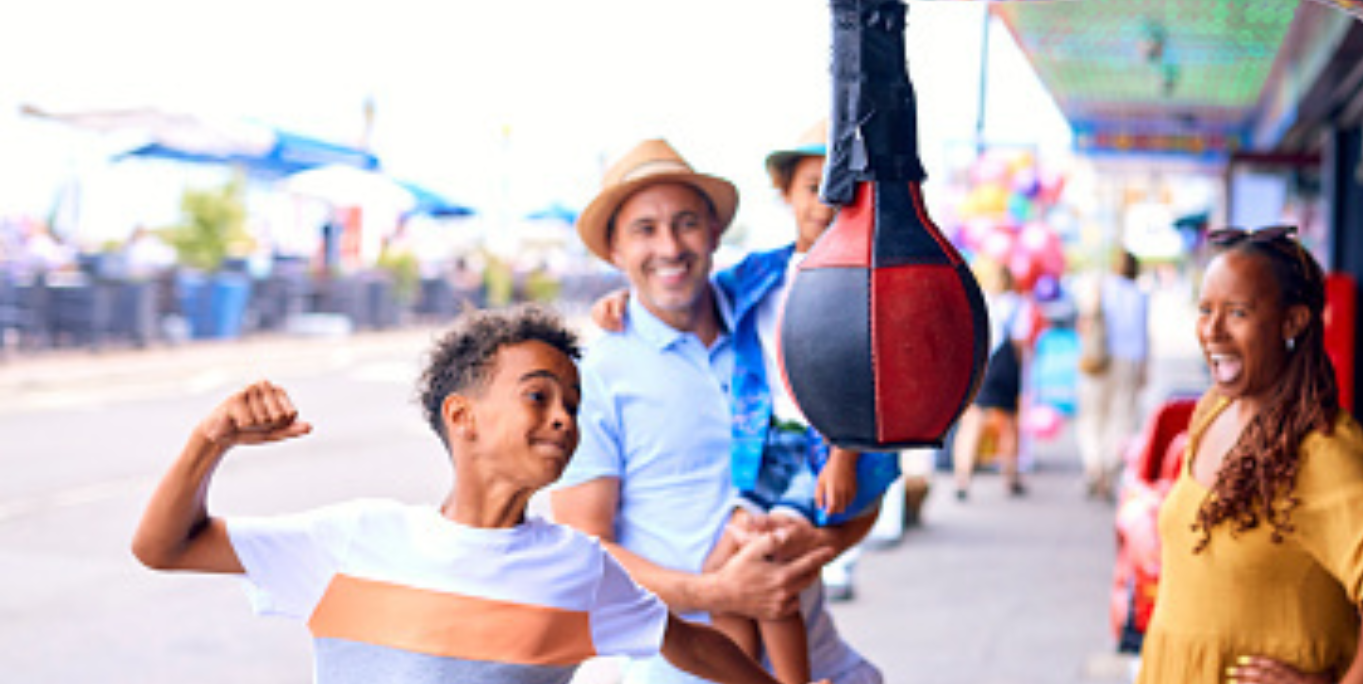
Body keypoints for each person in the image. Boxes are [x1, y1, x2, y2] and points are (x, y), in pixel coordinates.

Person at [129, 306, 798, 684]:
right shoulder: (355, 540)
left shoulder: (579, 567)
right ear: (462, 417)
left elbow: (688, 643)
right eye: (538, 395)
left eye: (572, 402)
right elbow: (164, 548)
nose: (565, 418)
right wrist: (209, 440)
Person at [552, 138, 884, 684]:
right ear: (613, 251)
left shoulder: (775, 319)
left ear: (713, 230)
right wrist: (718, 593)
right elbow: (585, 552)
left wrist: (815, 545)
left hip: (815, 655)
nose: (670, 246)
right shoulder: (595, 372)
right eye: (644, 229)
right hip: (678, 669)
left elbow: (867, 474)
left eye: (685, 223)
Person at [1136, 226, 1363, 684]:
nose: (1212, 329)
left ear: (1293, 322)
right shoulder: (1213, 410)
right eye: (1206, 310)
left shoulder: (1323, 449)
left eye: (1237, 312)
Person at [1075, 250, 1150, 500]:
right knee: (1122, 417)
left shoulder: (1102, 287)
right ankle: (1109, 466)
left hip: (1099, 358)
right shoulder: (1140, 295)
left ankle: (1093, 465)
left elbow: (1086, 322)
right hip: (1129, 361)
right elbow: (1144, 335)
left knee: (1093, 415)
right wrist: (1144, 368)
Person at [950, 260, 1028, 500]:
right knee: (1009, 424)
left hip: (984, 364)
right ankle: (1011, 476)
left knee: (972, 422)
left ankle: (962, 478)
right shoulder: (1019, 305)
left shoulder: (978, 300)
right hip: (1007, 368)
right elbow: (1020, 342)